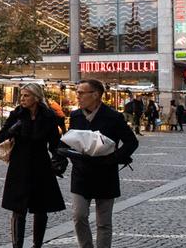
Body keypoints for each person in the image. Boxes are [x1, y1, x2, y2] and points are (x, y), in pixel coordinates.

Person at [64, 79, 138, 248]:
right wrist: (66, 155)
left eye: (81, 93)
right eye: (77, 92)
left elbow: (131, 142)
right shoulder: (75, 116)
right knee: (79, 216)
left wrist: (113, 158)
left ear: (96, 95)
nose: (78, 96)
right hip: (81, 173)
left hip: (105, 174)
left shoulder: (113, 117)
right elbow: (70, 140)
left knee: (103, 222)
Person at [0, 83, 66, 248]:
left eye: (26, 95)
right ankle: (17, 245)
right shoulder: (17, 115)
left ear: (36, 97)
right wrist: (13, 129)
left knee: (41, 209)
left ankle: (37, 245)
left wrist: (59, 159)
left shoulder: (48, 116)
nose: (22, 99)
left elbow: (55, 143)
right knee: (18, 209)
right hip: (19, 165)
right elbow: (0, 137)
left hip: (41, 165)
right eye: (21, 96)